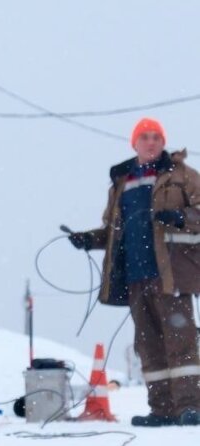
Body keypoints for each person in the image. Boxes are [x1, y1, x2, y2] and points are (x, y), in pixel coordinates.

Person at [67, 117, 200, 427]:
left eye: (156, 137)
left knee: (180, 342)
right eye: (145, 137)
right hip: (135, 278)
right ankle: (162, 409)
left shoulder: (182, 176)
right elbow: (113, 231)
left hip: (171, 275)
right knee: (148, 345)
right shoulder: (122, 183)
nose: (151, 142)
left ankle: (189, 407)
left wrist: (181, 216)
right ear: (134, 143)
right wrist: (88, 239)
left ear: (163, 142)